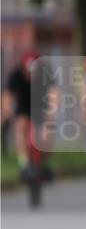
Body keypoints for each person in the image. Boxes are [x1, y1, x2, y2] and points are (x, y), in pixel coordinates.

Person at [2, 50, 56, 180]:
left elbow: (54, 93)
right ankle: (24, 163)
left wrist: (52, 110)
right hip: (23, 108)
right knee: (20, 126)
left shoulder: (46, 74)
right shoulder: (16, 75)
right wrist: (7, 111)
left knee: (46, 135)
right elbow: (7, 96)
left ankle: (44, 161)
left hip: (41, 107)